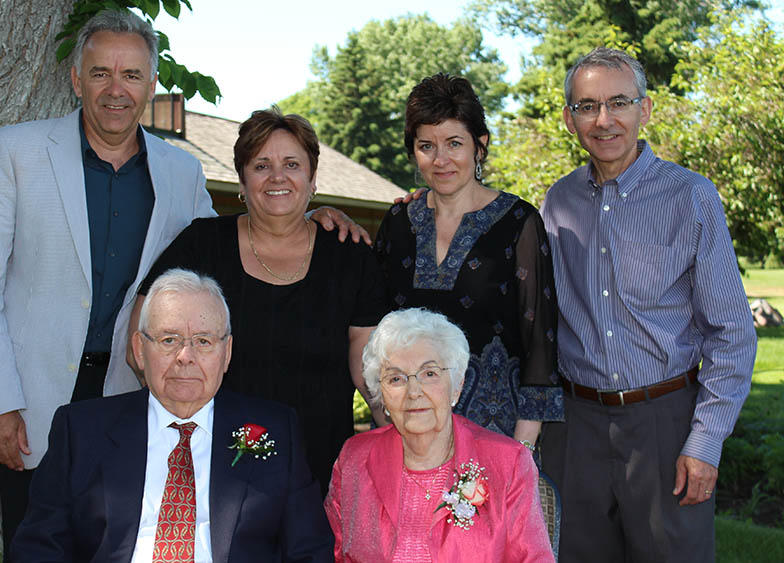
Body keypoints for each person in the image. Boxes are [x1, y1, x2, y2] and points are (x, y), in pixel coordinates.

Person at [0, 10, 362, 558]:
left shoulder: (180, 172)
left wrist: (309, 218)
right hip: (30, 398)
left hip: (134, 392)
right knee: (36, 541)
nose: (115, 90)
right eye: (100, 73)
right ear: (77, 79)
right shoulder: (16, 153)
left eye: (131, 75)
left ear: (151, 84)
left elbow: (223, 250)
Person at [538, 47, 757, 562]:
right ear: (570, 118)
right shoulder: (557, 201)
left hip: (665, 425)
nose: (604, 119)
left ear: (646, 108)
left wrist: (704, 442)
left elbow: (731, 333)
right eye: (587, 106)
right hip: (576, 428)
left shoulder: (692, 197)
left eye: (618, 102)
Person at [127, 108, 388, 493]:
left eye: (292, 164)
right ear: (242, 180)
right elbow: (140, 346)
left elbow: (370, 373)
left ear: (312, 178)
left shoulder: (350, 257)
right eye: (261, 164)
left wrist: (405, 434)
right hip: (214, 467)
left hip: (320, 470)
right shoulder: (201, 246)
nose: (277, 176)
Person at [11, 269, 334, 562]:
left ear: (227, 352)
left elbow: (310, 552)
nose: (185, 357)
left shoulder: (276, 431)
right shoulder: (81, 431)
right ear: (139, 349)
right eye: (169, 340)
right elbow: (38, 549)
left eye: (204, 341)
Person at [374, 73, 562, 453]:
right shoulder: (397, 224)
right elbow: (372, 340)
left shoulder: (519, 222)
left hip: (499, 441)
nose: (441, 159)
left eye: (454, 144)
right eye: (427, 145)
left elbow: (540, 349)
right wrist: (393, 432)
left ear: (481, 146)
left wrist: (519, 456)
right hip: (410, 443)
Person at [325, 308, 553, 562]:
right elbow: (337, 554)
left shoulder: (508, 463)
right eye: (396, 378)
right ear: (382, 395)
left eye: (429, 374)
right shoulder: (355, 458)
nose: (414, 392)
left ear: (456, 386)